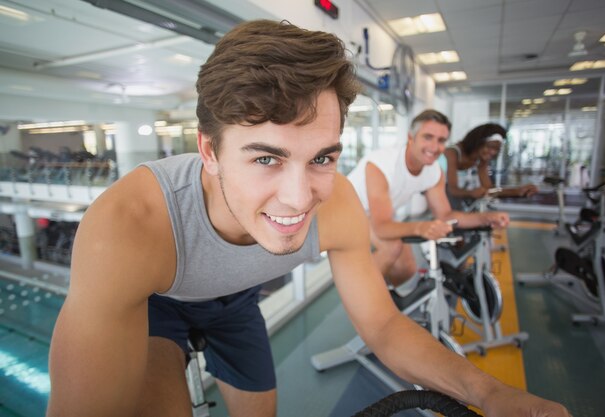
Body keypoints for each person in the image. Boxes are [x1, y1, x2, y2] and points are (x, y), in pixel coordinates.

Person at [46, 20, 570, 417]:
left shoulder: (337, 202)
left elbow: (384, 326)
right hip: (158, 305)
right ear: (208, 152)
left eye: (321, 157)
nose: (299, 200)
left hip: (236, 307)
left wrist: (492, 394)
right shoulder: (128, 224)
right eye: (266, 158)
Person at [348, 110, 510, 288]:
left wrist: (485, 218)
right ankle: (360, 299)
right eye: (428, 137)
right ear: (411, 137)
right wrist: (420, 227)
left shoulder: (433, 172)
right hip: (346, 209)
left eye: (441, 140)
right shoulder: (381, 165)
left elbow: (446, 215)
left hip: (372, 212)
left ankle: (379, 293)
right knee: (391, 248)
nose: (434, 147)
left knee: (406, 268)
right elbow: (381, 228)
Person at [444, 123, 538, 203]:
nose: (493, 152)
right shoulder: (452, 153)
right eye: (490, 147)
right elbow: (453, 190)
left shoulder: (481, 159)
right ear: (478, 142)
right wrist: (471, 193)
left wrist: (516, 191)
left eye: (497, 149)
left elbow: (488, 188)